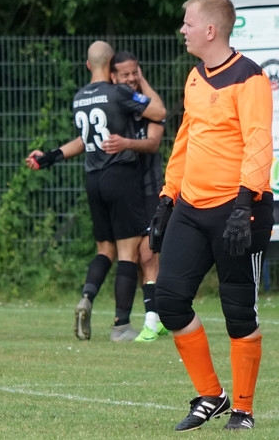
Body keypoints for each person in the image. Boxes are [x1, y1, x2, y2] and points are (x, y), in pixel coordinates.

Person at [149, 0, 274, 432]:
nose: (182, 29)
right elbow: (186, 139)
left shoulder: (250, 77)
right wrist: (167, 198)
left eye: (187, 23)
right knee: (169, 300)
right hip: (191, 206)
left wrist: (244, 204)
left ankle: (243, 410)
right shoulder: (195, 77)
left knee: (238, 311)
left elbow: (258, 141)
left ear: (210, 29)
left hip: (239, 210)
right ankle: (211, 395)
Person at [26, 41, 166, 342]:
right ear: (111, 64)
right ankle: (121, 326)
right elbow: (158, 111)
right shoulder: (118, 93)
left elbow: (82, 140)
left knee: (104, 249)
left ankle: (86, 297)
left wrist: (47, 157)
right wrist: (139, 82)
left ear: (88, 65)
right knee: (128, 253)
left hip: (93, 179)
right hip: (121, 177)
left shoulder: (80, 97)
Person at [102, 50, 169, 343]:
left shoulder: (146, 103)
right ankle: (146, 318)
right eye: (125, 74)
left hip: (150, 187)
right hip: (124, 190)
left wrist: (126, 143)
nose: (131, 78)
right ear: (113, 77)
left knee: (148, 252)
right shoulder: (113, 104)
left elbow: (154, 138)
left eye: (135, 72)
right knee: (131, 256)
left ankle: (152, 320)